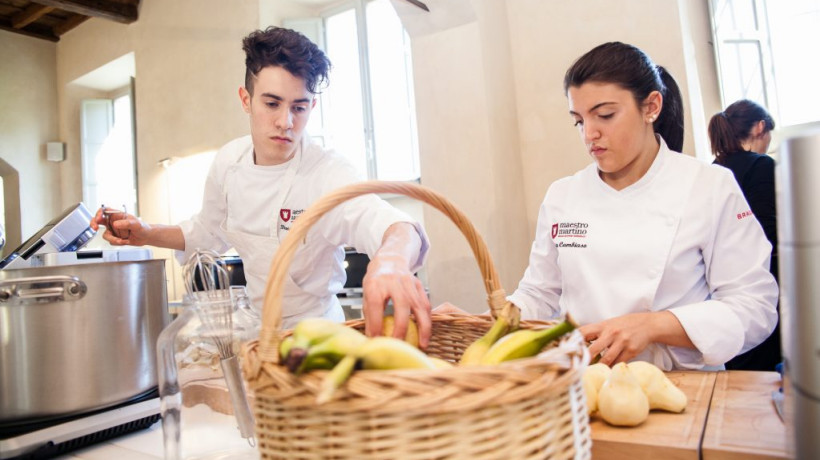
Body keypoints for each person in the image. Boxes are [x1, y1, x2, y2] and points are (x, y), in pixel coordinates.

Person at [439, 42, 777, 371]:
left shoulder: (708, 186)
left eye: (605, 115)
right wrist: (488, 326)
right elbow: (540, 293)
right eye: (579, 120)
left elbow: (754, 307)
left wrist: (656, 325)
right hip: (583, 380)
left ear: (651, 107)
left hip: (680, 386)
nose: (590, 134)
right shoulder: (563, 196)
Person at [90, 27, 432, 347]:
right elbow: (206, 232)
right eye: (272, 104)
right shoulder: (229, 162)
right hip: (258, 334)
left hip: (320, 336)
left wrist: (390, 261)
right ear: (245, 99)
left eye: (299, 107)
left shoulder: (328, 172)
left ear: (312, 106)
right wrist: (145, 232)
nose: (286, 122)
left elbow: (392, 225)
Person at [708, 99, 780, 371]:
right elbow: (768, 232)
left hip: (719, 286)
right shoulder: (761, 165)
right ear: (761, 127)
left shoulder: (712, 170)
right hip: (760, 279)